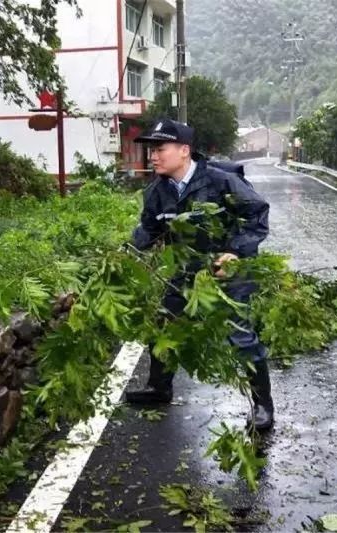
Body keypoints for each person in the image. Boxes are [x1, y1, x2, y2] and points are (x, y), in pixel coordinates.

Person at [125, 118, 275, 430]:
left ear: (183, 151)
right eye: (151, 150)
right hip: (188, 270)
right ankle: (159, 388)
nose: (152, 156)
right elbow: (149, 230)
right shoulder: (156, 192)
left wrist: (234, 250)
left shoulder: (221, 182)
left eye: (159, 149)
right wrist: (123, 254)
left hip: (231, 270)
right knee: (165, 321)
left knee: (239, 333)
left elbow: (256, 213)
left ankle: (263, 406)